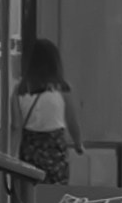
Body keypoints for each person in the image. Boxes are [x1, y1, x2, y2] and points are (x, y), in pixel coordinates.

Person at [10, 39, 77, 178]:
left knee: (28, 192)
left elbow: (16, 126)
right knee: (54, 194)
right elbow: (72, 121)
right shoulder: (62, 88)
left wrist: (11, 154)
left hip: (29, 148)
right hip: (55, 147)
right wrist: (78, 143)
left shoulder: (20, 89)